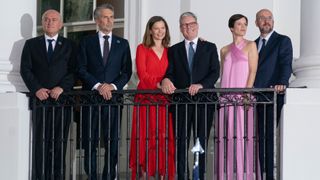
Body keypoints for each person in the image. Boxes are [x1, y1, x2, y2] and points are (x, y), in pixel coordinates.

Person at [161, 11, 220, 180]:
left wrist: (201, 85)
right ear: (180, 28)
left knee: (200, 142)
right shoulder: (173, 50)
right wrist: (166, 79)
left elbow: (215, 72)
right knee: (181, 143)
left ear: (197, 25)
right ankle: (182, 176)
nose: (189, 27)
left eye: (191, 23)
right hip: (181, 103)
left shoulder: (209, 47)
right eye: (185, 25)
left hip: (204, 102)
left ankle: (198, 176)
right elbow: (170, 72)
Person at [77, 3, 132, 180]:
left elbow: (126, 72)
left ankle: (109, 175)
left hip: (113, 100)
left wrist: (112, 87)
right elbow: (81, 68)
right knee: (90, 141)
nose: (109, 20)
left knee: (112, 141)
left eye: (111, 17)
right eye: (105, 17)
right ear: (97, 20)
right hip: (91, 98)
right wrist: (99, 86)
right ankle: (92, 175)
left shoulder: (122, 44)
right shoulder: (86, 42)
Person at [20, 9, 76, 180]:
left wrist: (62, 88)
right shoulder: (31, 44)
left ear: (60, 24)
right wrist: (36, 88)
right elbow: (26, 69)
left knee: (60, 143)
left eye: (54, 19)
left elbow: (74, 71)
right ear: (42, 23)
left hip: (62, 102)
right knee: (40, 143)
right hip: (40, 101)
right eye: (46, 19)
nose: (50, 22)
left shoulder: (70, 45)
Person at [129, 16, 175, 180]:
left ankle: (162, 173)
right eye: (156, 28)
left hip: (164, 100)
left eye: (163, 28)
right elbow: (142, 74)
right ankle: (144, 174)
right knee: (145, 135)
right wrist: (159, 84)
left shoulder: (171, 51)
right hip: (146, 99)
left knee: (163, 136)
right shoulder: (142, 48)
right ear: (150, 30)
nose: (160, 31)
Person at [215, 14, 259, 180]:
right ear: (231, 27)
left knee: (243, 137)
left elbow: (253, 71)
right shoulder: (224, 50)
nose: (243, 27)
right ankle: (223, 176)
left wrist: (247, 93)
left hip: (242, 98)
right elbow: (222, 74)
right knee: (225, 138)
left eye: (245, 24)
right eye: (239, 24)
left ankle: (243, 176)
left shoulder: (251, 45)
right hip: (225, 98)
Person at [254, 9, 293, 179]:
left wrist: (282, 82)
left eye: (269, 18)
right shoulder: (252, 44)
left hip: (273, 96)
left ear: (273, 21)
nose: (266, 21)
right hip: (253, 98)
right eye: (262, 18)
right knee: (256, 139)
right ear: (256, 23)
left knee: (269, 138)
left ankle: (269, 175)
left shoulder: (282, 41)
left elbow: (285, 63)